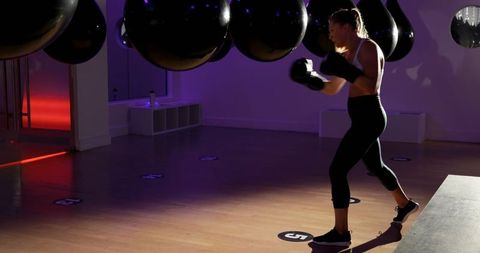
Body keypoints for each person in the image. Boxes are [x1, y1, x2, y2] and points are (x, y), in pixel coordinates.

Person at [290, 8, 419, 246]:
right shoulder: (346, 53)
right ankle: (405, 204)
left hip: (370, 117)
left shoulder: (369, 48)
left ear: (347, 27)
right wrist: (310, 78)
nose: (330, 36)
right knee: (376, 166)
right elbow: (332, 89)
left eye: (332, 29)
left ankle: (341, 233)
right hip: (361, 119)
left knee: (337, 170)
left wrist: (345, 70)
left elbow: (370, 87)